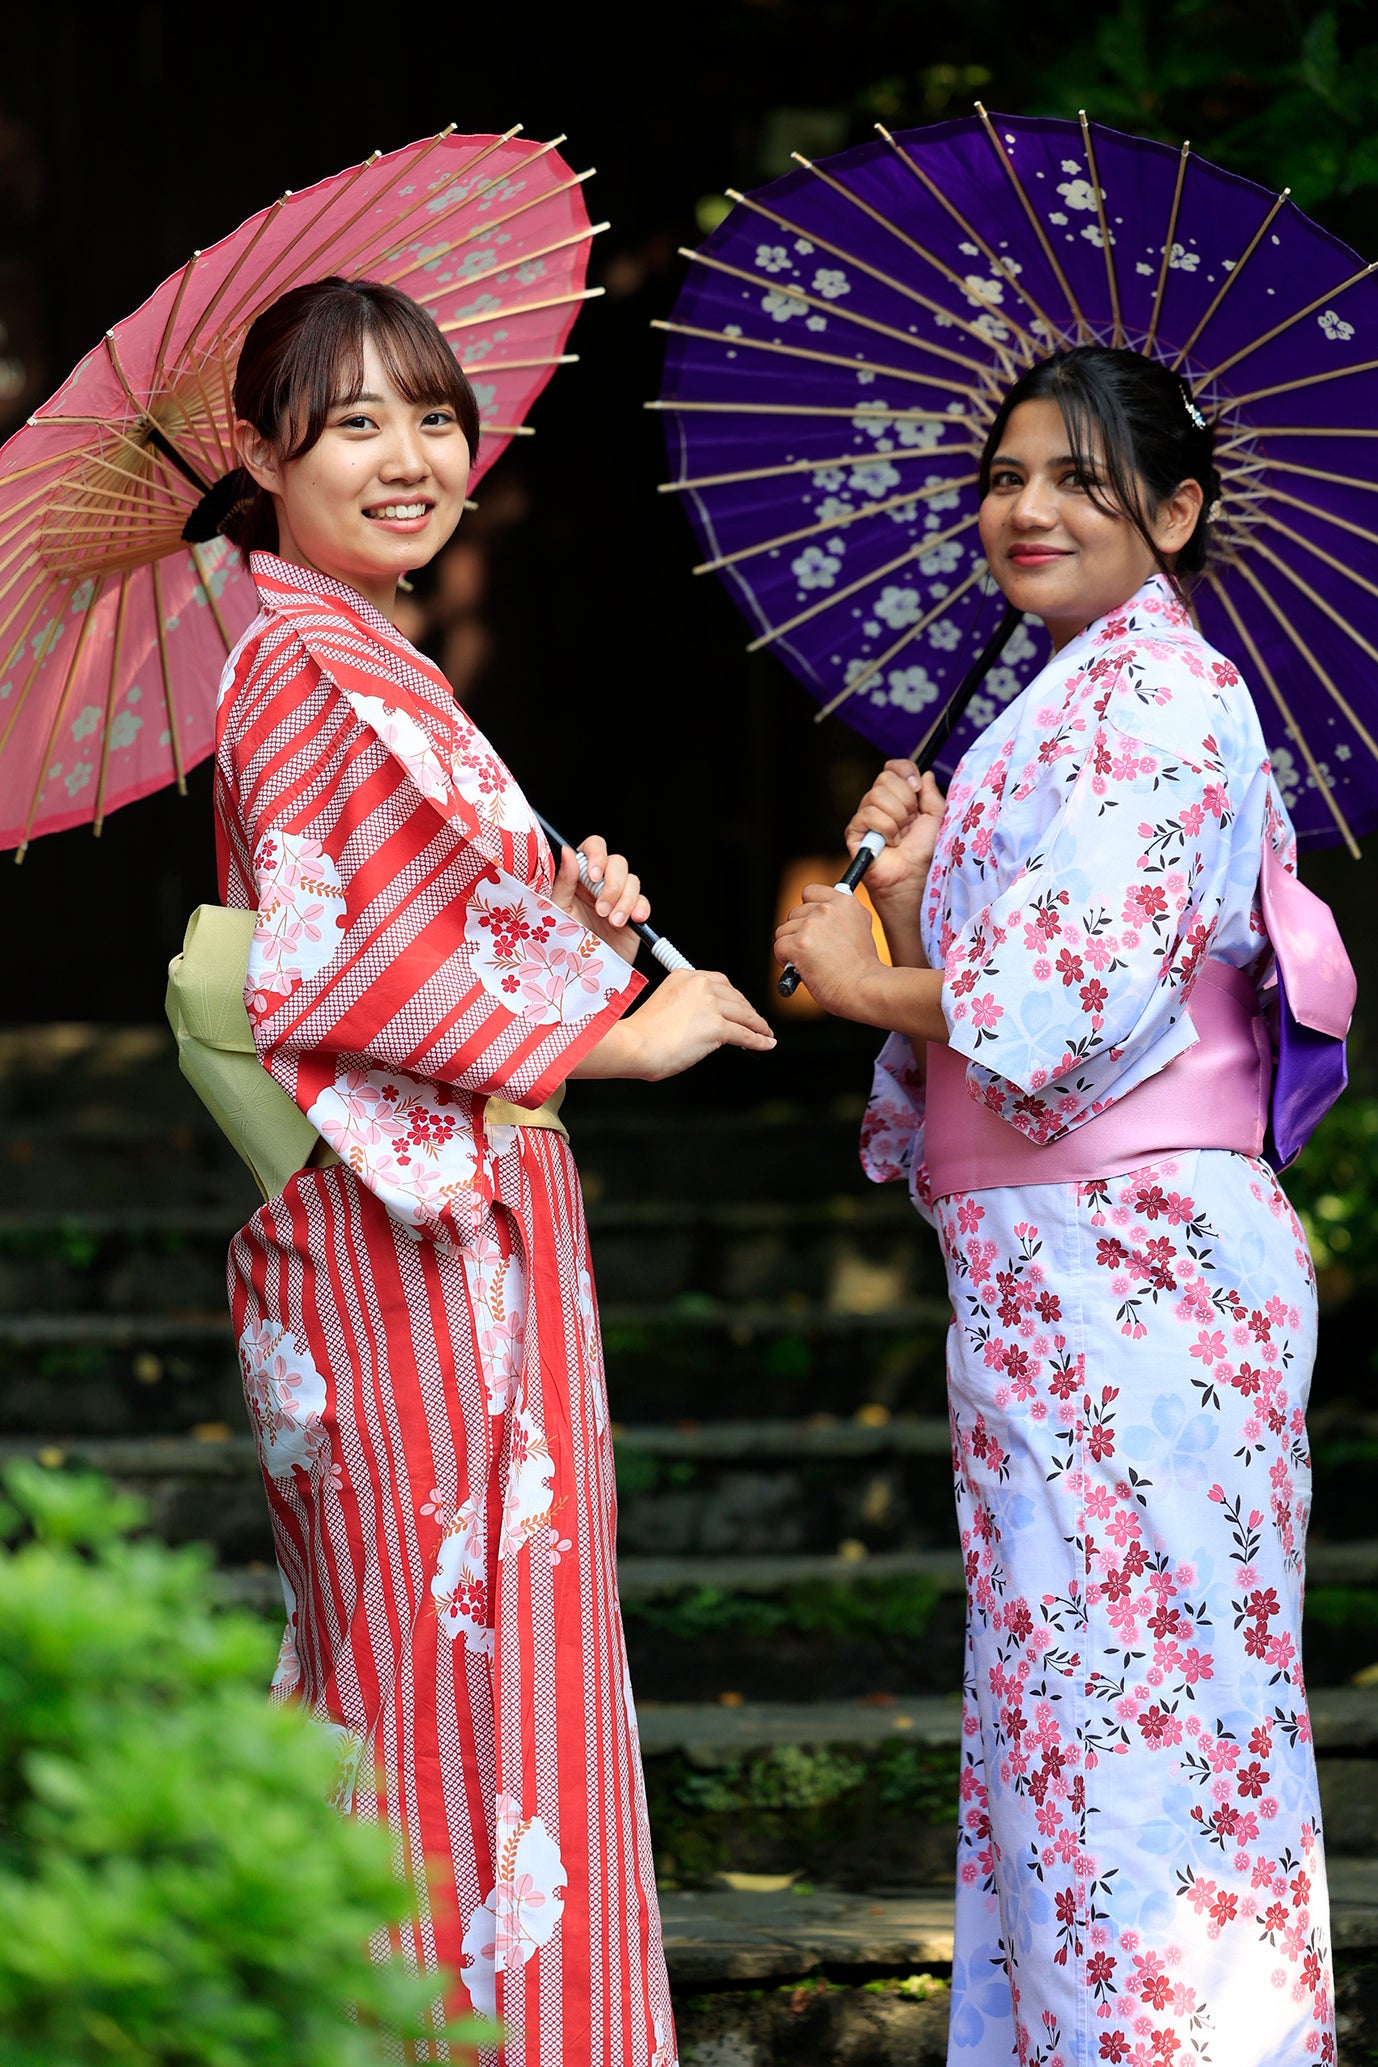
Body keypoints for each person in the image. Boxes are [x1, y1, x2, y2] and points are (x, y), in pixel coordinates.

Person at [214, 275, 775, 2064]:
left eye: (433, 417)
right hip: (407, 1242)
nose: (409, 457)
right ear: (256, 454)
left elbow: (428, 913)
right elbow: (349, 958)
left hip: (460, 1227)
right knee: (446, 1698)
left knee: (481, 1691)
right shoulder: (302, 653)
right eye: (352, 421)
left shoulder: (362, 648)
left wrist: (560, 910)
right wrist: (618, 1029)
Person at [773, 346, 1347, 2066]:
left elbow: (1065, 993)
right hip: (1067, 1281)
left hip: (1136, 1282)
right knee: (1074, 1726)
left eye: (1081, 481)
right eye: (1008, 473)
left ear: (1172, 513)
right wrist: (895, 881)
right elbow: (1013, 972)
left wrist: (853, 975)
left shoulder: (1160, 697)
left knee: (1137, 1733)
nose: (1027, 507)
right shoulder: (1069, 700)